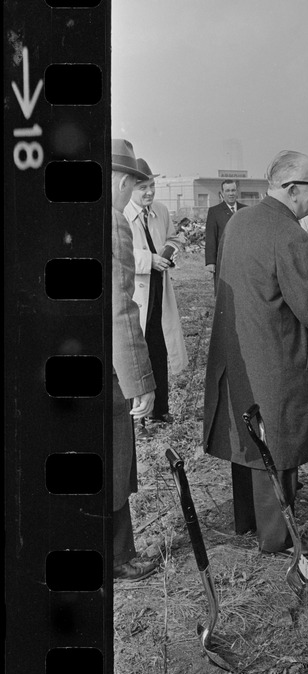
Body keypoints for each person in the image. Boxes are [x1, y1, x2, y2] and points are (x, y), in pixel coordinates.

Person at [203, 151, 308, 556]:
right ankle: (278, 537)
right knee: (278, 443)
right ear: (293, 189)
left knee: (248, 439)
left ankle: (249, 522)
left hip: (241, 352)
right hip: (277, 357)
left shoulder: (241, 220)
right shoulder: (291, 234)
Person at [110, 139, 159, 581]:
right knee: (114, 455)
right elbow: (120, 311)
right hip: (105, 368)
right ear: (124, 181)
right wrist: (139, 380)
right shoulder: (112, 223)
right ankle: (120, 555)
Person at [123, 159, 189, 434]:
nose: (149, 192)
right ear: (130, 188)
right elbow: (120, 253)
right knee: (137, 353)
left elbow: (176, 239)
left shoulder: (161, 211)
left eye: (152, 186)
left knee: (159, 347)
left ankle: (161, 410)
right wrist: (148, 260)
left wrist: (168, 254)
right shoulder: (121, 213)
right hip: (136, 294)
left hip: (159, 291)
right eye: (143, 187)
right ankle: (135, 417)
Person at [205, 179, 245, 290]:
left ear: (237, 192)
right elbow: (211, 238)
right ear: (222, 193)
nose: (231, 193)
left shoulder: (246, 210)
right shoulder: (214, 211)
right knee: (224, 291)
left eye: (233, 190)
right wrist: (210, 262)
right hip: (223, 260)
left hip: (244, 259)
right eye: (227, 191)